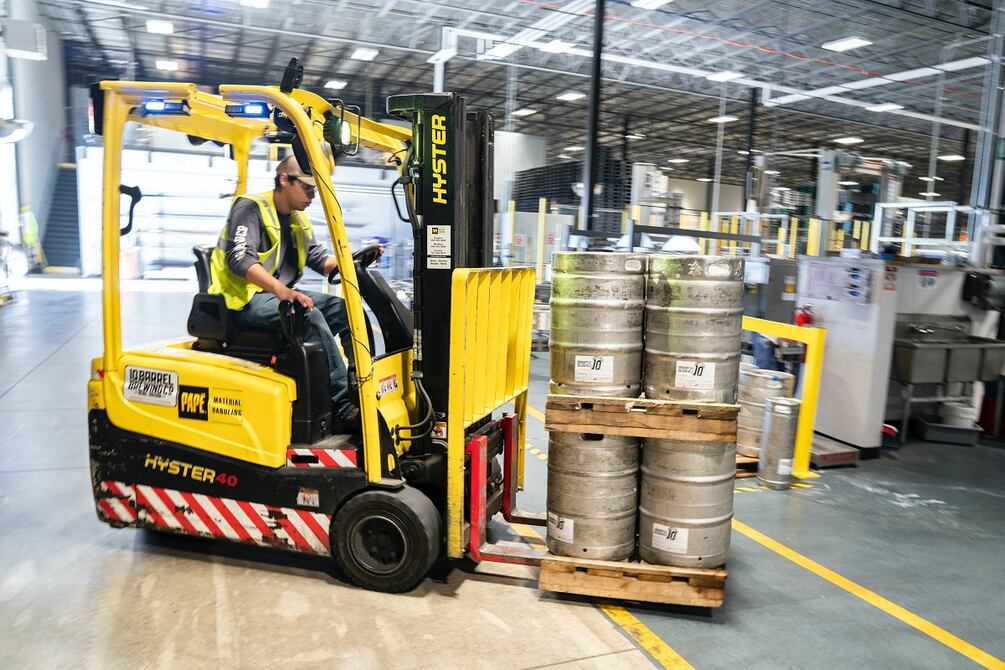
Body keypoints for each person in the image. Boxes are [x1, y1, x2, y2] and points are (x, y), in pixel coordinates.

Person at [208, 154, 359, 425]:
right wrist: (284, 292)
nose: (312, 195)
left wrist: (353, 262)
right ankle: (342, 405)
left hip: (274, 298)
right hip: (243, 301)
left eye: (314, 189)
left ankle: (360, 385)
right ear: (284, 179)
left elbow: (320, 261)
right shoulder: (250, 208)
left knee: (345, 310)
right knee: (307, 314)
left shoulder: (298, 220)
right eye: (307, 187)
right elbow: (240, 259)